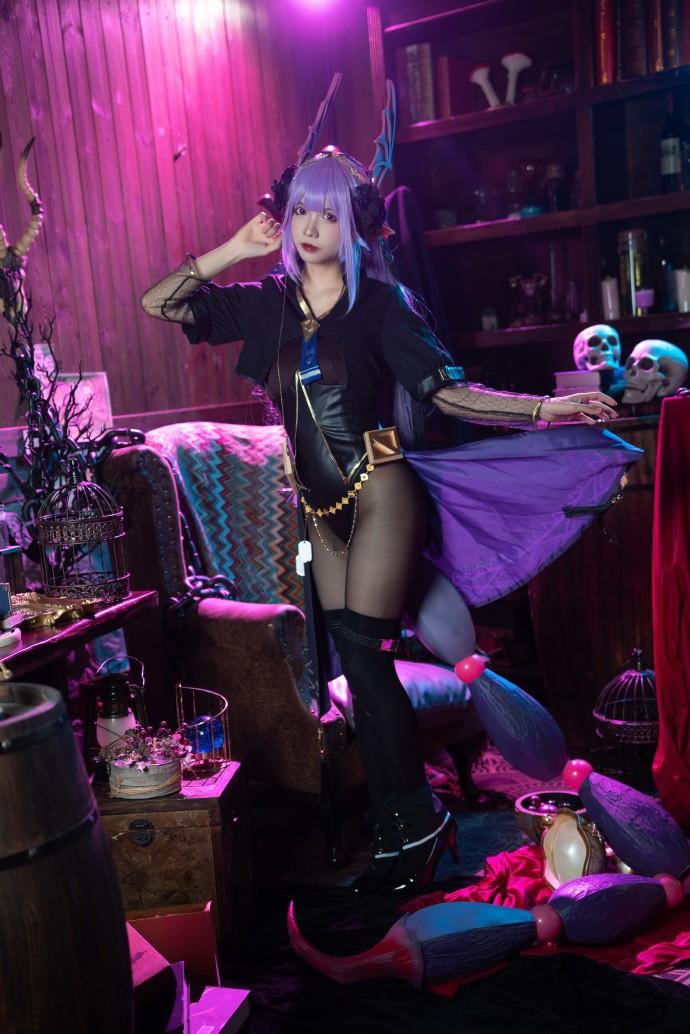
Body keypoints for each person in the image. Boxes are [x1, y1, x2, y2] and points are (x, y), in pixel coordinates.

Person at [140, 90, 622, 900]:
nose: (309, 228)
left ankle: (415, 825)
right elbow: (159, 302)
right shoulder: (265, 306)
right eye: (299, 211)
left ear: (355, 226)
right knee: (360, 670)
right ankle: (409, 831)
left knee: (366, 655)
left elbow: (449, 393)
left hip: (382, 489)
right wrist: (232, 249)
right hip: (321, 508)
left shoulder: (382, 305)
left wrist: (545, 409)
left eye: (327, 215)